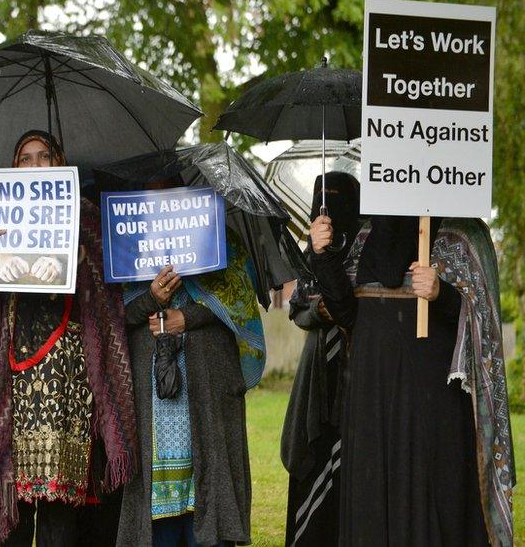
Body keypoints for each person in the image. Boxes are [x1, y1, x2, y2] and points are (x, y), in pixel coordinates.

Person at [0, 130, 138, 545]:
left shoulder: (86, 217)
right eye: (26, 158)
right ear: (14, 166)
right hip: (10, 385)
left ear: (61, 163)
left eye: (45, 157)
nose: (36, 166)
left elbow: (113, 299)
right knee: (15, 508)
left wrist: (81, 262)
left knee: (59, 507)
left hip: (67, 383)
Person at [309, 206, 515, 544]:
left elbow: (482, 324)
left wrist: (442, 293)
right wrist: (323, 256)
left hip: (434, 403)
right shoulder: (365, 235)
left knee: (433, 495)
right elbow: (346, 314)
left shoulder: (463, 234)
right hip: (371, 398)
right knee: (372, 497)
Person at [116, 181, 266, 547]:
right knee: (156, 495)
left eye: (170, 189)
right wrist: (151, 298)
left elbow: (240, 305)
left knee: (208, 483)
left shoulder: (219, 237)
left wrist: (188, 316)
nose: (162, 196)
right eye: (152, 191)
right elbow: (111, 315)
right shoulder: (125, 240)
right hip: (151, 393)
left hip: (208, 383)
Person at [280, 172, 359, 546]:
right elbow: (297, 310)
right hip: (316, 373)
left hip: (358, 366)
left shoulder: (365, 244)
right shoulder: (309, 248)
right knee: (313, 455)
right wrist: (319, 311)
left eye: (340, 198)